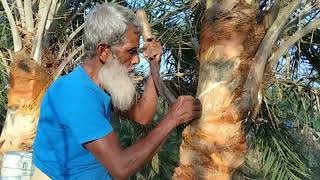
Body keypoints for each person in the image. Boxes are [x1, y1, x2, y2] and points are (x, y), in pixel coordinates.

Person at [32, 3, 201, 180]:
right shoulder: (77, 94)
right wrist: (172, 119)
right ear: (103, 51)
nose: (136, 60)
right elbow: (120, 168)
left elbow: (143, 115)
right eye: (131, 51)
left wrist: (154, 65)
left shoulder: (100, 86)